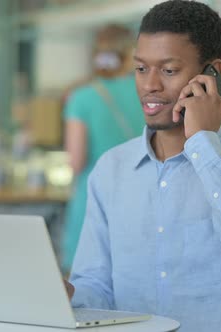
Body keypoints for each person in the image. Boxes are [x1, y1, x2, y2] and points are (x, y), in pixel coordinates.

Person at [64, 1, 221, 331]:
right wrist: (62, 296)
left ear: (211, 73)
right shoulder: (111, 170)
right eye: (141, 68)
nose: (150, 85)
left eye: (169, 70)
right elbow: (98, 289)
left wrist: (203, 144)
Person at [61, 24, 145, 273]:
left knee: (87, 286)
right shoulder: (147, 92)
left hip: (92, 199)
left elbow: (76, 160)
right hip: (139, 195)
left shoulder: (81, 97)